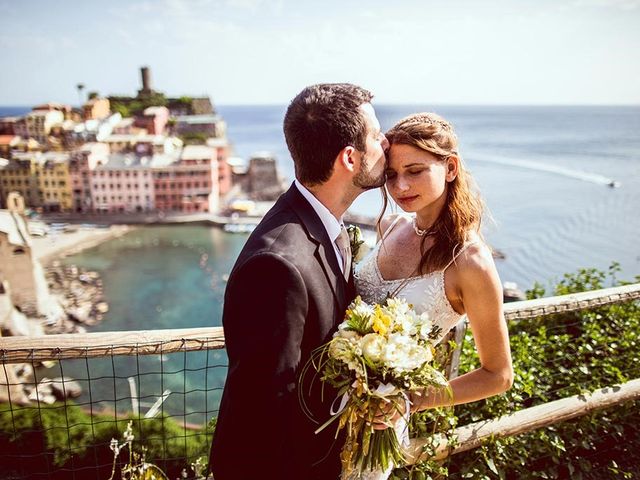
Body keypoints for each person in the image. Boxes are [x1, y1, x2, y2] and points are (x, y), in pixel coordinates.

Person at [209, 83, 389, 479]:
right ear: (349, 158)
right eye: (377, 137)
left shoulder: (324, 226)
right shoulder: (276, 265)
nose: (386, 142)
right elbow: (263, 411)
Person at [353, 112, 514, 479]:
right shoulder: (389, 226)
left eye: (415, 170)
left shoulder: (470, 261)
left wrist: (409, 401)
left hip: (379, 426)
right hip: (325, 407)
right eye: (391, 175)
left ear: (451, 168)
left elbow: (499, 375)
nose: (400, 186)